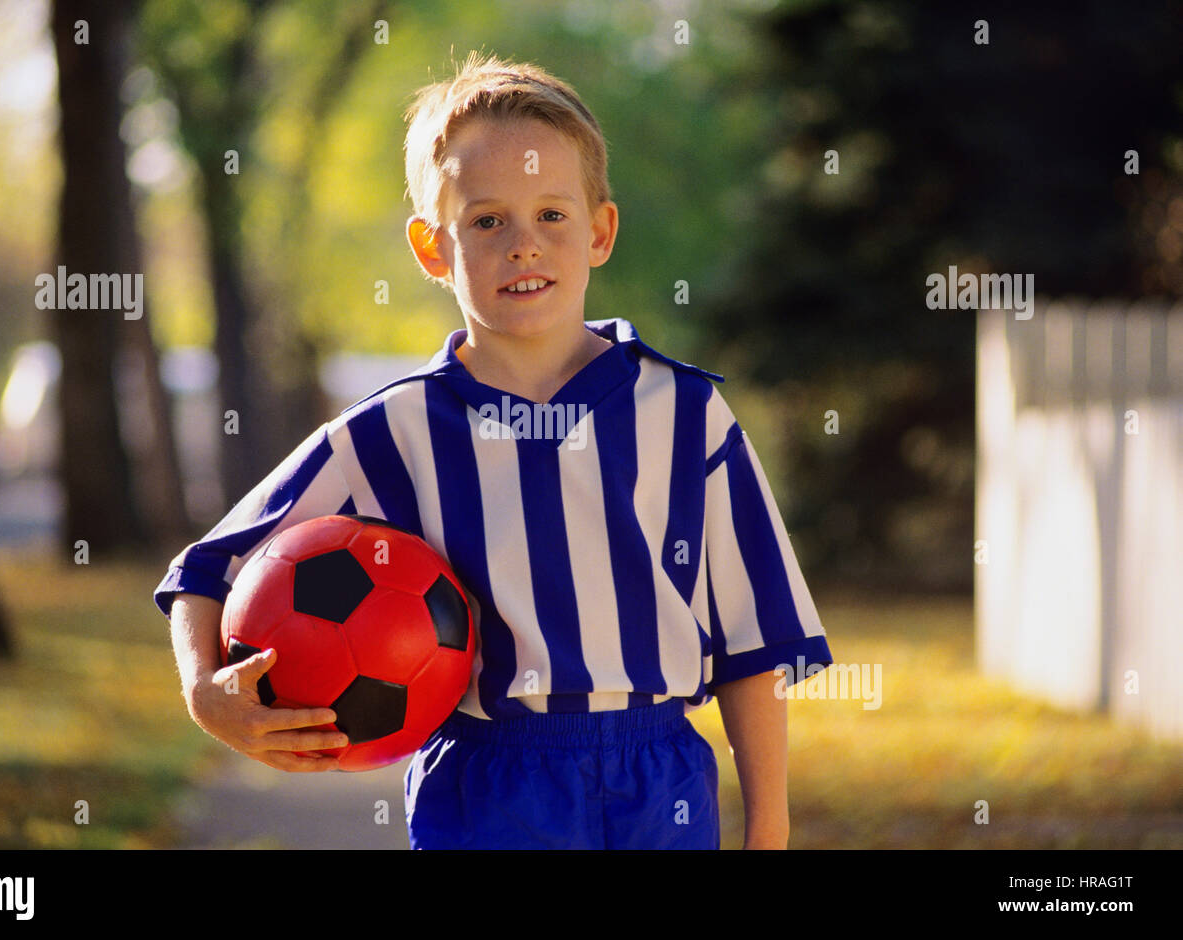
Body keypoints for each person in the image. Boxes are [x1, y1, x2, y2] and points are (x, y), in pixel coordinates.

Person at [154, 51, 833, 850]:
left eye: (552, 214)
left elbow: (754, 645)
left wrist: (770, 832)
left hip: (660, 786)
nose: (524, 245)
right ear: (432, 249)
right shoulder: (393, 431)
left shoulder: (687, 414)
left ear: (601, 230)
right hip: (489, 792)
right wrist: (206, 693)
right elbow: (207, 570)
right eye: (486, 220)